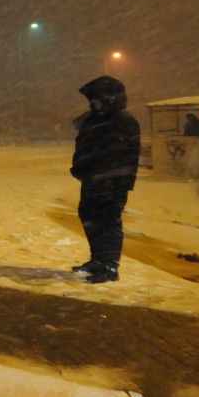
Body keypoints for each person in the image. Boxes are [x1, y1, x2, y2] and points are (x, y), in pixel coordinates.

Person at [69, 76, 141, 283]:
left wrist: (110, 178)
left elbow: (121, 155)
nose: (93, 103)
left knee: (107, 222)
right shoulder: (96, 118)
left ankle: (110, 266)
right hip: (93, 180)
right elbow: (87, 146)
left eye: (97, 99)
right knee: (90, 219)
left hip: (111, 183)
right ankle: (98, 260)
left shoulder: (123, 121)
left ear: (110, 98)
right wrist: (82, 168)